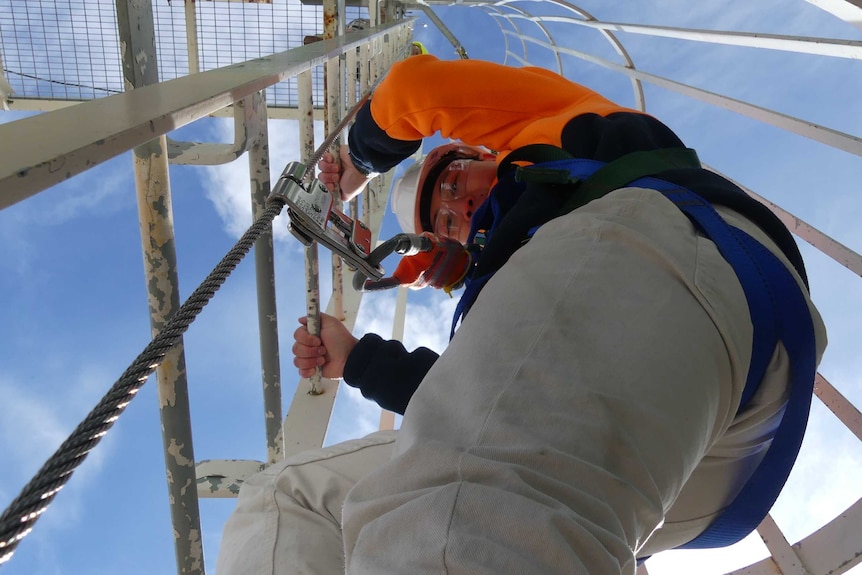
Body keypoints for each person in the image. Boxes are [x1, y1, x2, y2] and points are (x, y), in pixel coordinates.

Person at [217, 55, 827, 575]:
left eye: (455, 181)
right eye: (447, 221)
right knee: (293, 501)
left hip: (670, 258)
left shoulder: (555, 134)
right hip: (715, 459)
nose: (460, 204)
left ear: (483, 154)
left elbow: (411, 91)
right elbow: (479, 405)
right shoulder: (529, 306)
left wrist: (356, 163)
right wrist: (356, 358)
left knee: (460, 513)